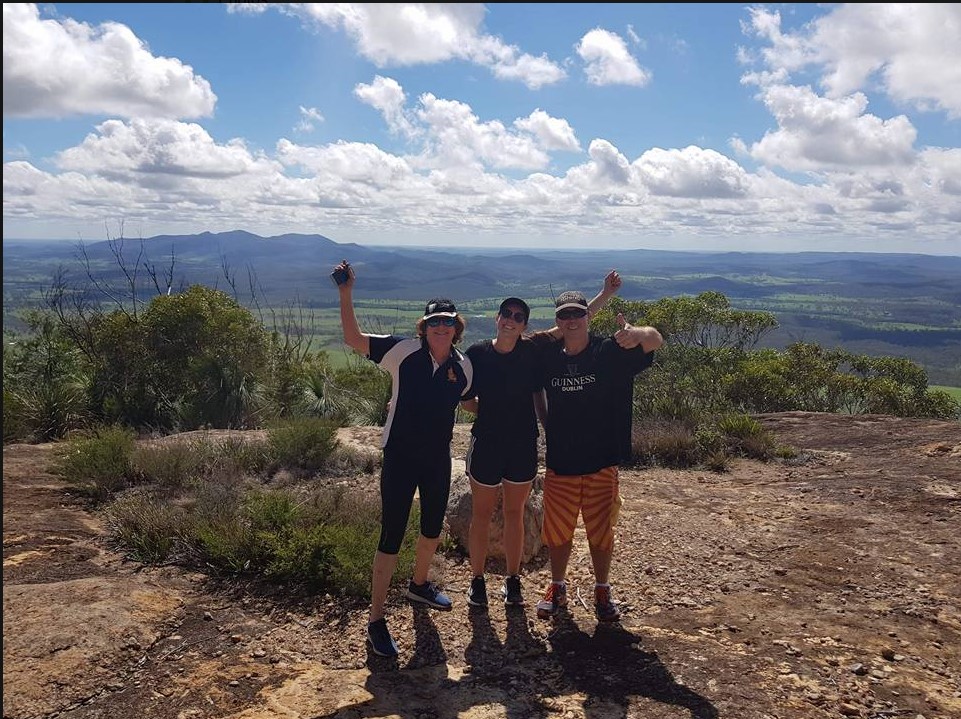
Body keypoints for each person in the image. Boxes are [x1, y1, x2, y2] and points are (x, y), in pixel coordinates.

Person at [334, 260, 475, 658]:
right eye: (435, 323)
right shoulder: (402, 351)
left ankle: (418, 586)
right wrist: (346, 294)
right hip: (399, 457)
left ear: (456, 327)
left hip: (437, 460)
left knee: (432, 530)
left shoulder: (462, 367)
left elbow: (469, 404)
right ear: (424, 327)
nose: (441, 328)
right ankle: (376, 620)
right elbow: (352, 338)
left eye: (447, 322)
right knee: (391, 536)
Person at [459, 272, 623, 609]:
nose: (512, 321)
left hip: (522, 443)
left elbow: (573, 320)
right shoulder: (476, 353)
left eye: (519, 317)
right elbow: (465, 399)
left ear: (524, 324)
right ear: (497, 318)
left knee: (516, 513)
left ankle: (512, 579)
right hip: (487, 442)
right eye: (507, 314)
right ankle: (477, 580)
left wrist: (605, 294)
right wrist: (489, 415)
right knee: (482, 512)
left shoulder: (532, 350)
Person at [534, 288, 663, 623]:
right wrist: (547, 422)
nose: (572, 320)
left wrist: (638, 333)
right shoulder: (548, 356)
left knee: (601, 530)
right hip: (561, 460)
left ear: (588, 317)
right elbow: (534, 383)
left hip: (602, 458)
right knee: (558, 532)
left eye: (578, 314)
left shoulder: (610, 351)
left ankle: (602, 589)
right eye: (565, 315)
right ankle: (558, 586)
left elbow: (655, 341)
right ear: (558, 320)